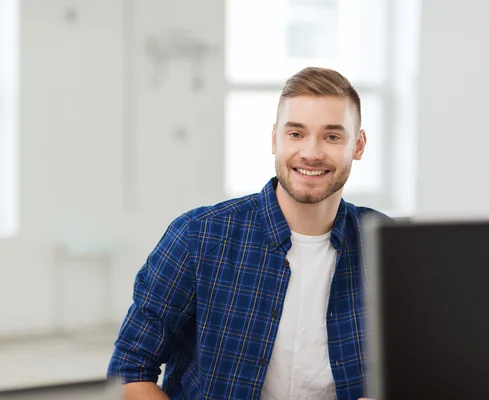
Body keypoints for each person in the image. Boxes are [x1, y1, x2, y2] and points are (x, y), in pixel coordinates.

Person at [107, 67, 389, 400]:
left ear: (358, 145)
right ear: (275, 139)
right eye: (296, 134)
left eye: (332, 136)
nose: (311, 153)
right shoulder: (199, 236)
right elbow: (129, 371)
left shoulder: (388, 246)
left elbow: (426, 364)